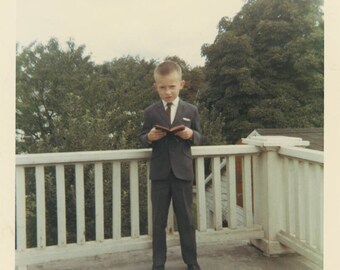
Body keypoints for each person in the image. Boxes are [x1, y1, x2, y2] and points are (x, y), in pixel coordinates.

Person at [140, 60, 202, 270]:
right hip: (159, 174)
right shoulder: (150, 112)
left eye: (172, 86)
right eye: (163, 87)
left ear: (181, 84)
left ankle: (192, 262)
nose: (168, 92)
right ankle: (158, 264)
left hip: (183, 173)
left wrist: (190, 134)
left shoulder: (191, 110)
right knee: (158, 223)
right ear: (156, 86)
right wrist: (149, 137)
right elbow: (141, 137)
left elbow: (200, 136)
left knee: (186, 220)